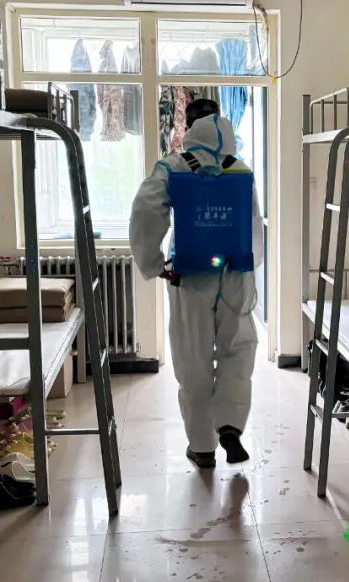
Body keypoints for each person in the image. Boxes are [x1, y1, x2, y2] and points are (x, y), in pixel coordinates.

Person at [129, 99, 263, 469]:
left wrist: (154, 264)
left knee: (193, 357)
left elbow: (144, 210)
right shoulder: (240, 168)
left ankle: (202, 446)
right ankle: (230, 424)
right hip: (234, 274)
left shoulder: (173, 166)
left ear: (187, 127)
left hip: (189, 275)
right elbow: (253, 225)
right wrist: (248, 267)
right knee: (238, 350)